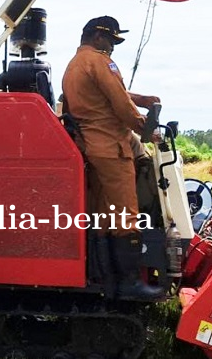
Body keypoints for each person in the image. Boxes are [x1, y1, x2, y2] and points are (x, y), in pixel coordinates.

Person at [61, 15, 164, 300]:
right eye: (111, 40)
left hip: (91, 147)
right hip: (111, 146)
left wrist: (140, 99)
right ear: (97, 37)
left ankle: (107, 281)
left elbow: (106, 92)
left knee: (104, 215)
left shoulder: (74, 65)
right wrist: (144, 127)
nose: (113, 47)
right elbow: (119, 102)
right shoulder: (100, 61)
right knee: (126, 214)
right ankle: (130, 283)